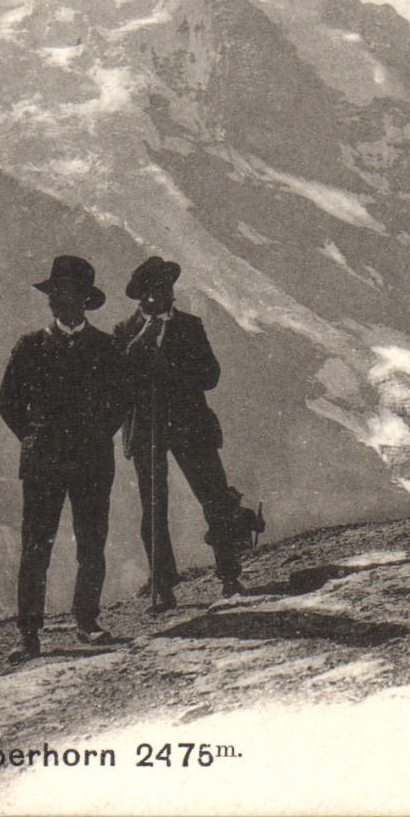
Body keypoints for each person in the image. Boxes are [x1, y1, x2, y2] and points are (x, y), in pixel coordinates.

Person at [0, 255, 129, 662]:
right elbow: (7, 404)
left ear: (84, 300)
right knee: (37, 545)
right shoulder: (30, 346)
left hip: (92, 462)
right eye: (53, 293)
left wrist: (93, 437)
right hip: (44, 464)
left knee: (91, 543)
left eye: (65, 293)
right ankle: (29, 634)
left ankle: (88, 622)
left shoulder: (107, 348)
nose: (56, 301)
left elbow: (120, 403)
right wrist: (35, 438)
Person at [115, 256, 257, 610]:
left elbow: (211, 375)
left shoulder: (191, 327)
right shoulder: (124, 332)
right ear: (142, 296)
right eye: (156, 289)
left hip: (190, 424)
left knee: (214, 498)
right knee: (153, 508)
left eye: (167, 287)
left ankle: (229, 574)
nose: (164, 295)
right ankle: (162, 587)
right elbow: (118, 382)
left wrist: (174, 369)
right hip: (146, 430)